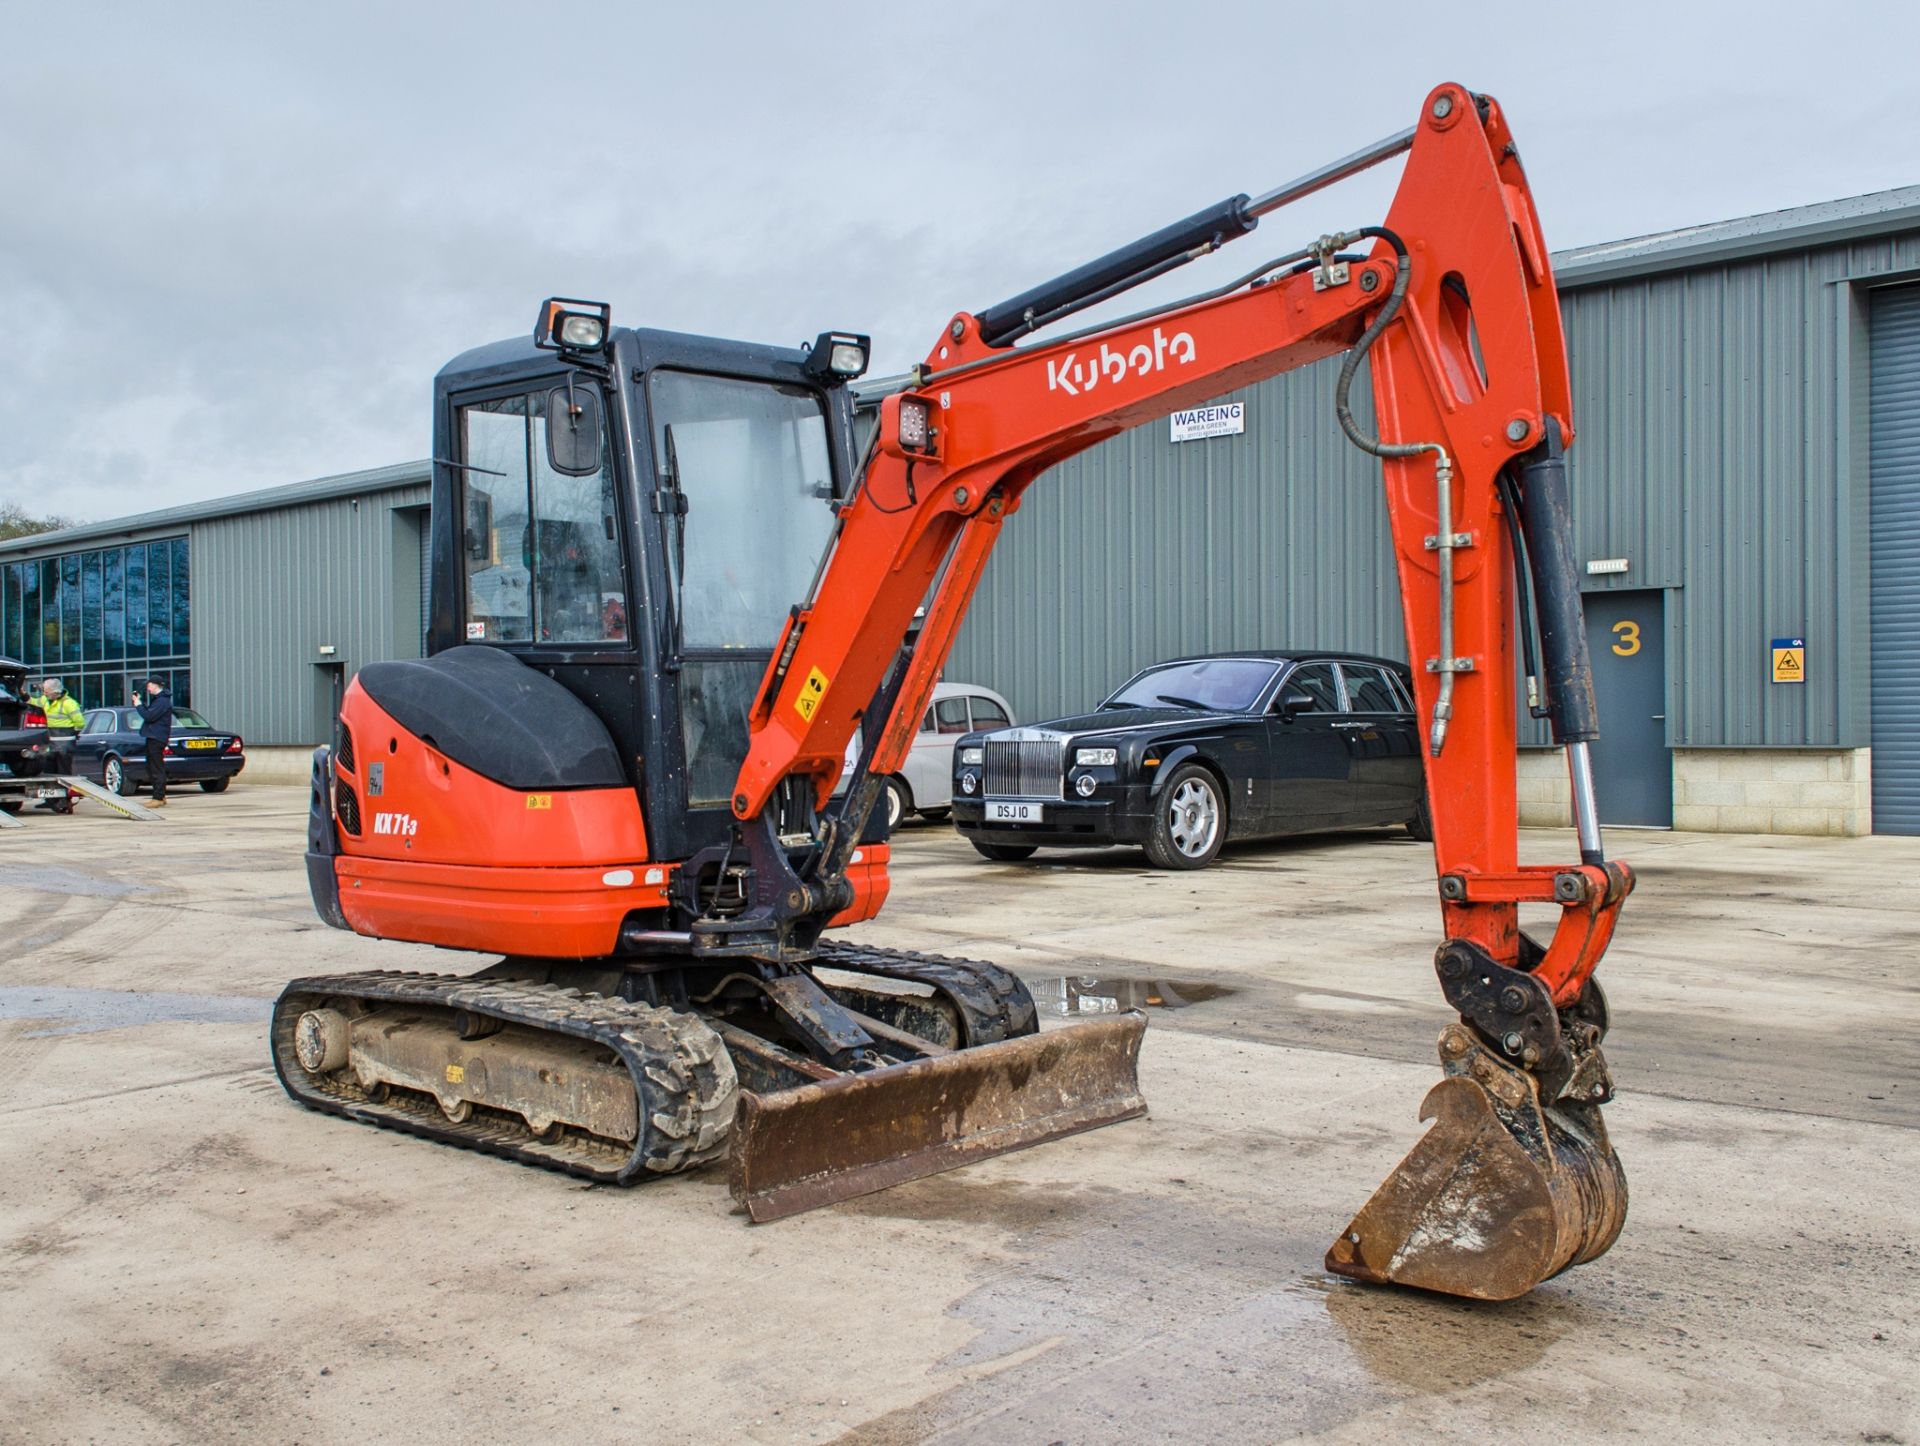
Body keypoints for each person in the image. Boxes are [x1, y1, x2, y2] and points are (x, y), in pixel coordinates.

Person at [35, 679, 86, 805]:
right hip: (51, 744)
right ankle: (50, 800)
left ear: (55, 692)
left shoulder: (69, 703)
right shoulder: (45, 700)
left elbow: (80, 722)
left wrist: (73, 733)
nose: (44, 693)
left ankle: (63, 800)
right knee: (48, 771)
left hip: (65, 745)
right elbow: (33, 702)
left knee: (63, 772)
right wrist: (23, 694)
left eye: (46, 691)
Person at [131, 677, 173, 807]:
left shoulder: (162, 701)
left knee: (156, 768)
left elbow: (149, 716)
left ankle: (158, 797)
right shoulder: (159, 700)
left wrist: (138, 704)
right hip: (154, 736)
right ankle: (160, 795)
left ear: (155, 686)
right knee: (151, 767)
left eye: (149, 686)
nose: (148, 689)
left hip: (156, 738)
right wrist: (140, 703)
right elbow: (150, 713)